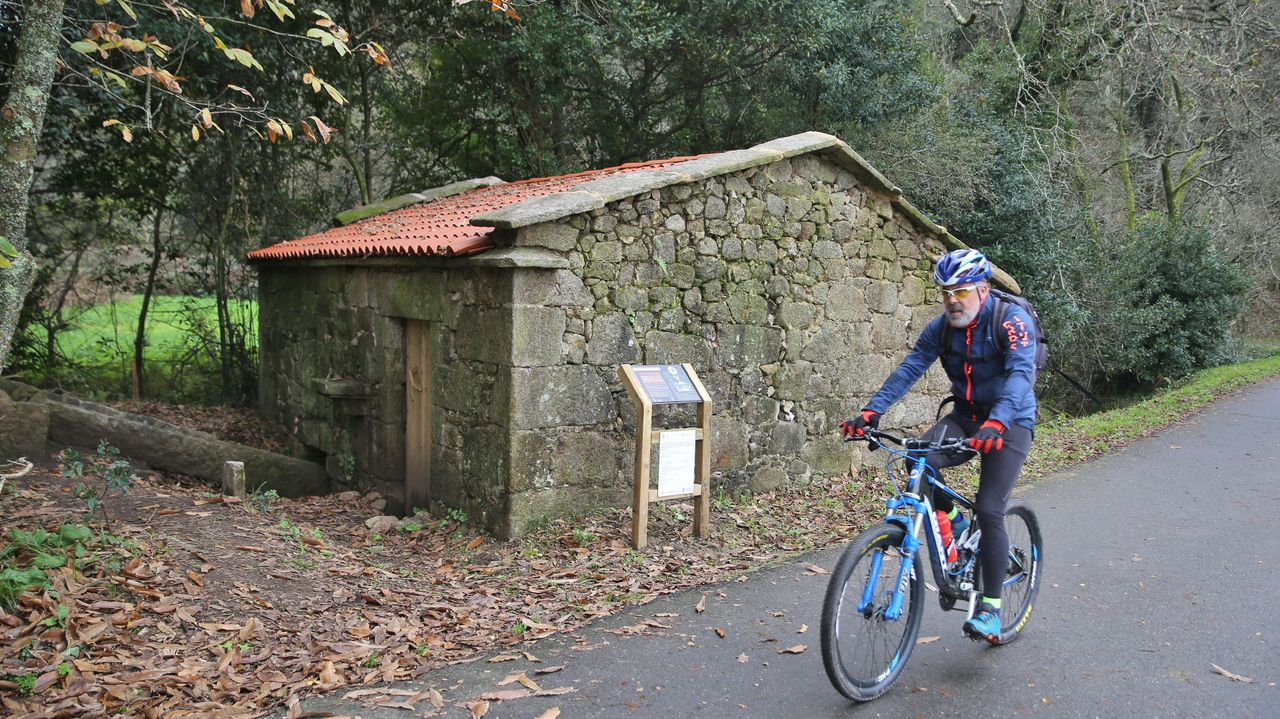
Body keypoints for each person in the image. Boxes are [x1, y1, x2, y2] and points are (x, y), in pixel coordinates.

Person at [839, 248, 1037, 644]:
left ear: (982, 289)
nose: (951, 299)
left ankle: (991, 610)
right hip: (965, 415)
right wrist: (872, 411)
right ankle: (958, 527)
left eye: (960, 291)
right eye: (945, 291)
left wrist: (998, 420)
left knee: (990, 507)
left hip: (1010, 421)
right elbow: (912, 366)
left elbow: (1020, 373)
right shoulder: (942, 328)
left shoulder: (1010, 320)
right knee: (917, 459)